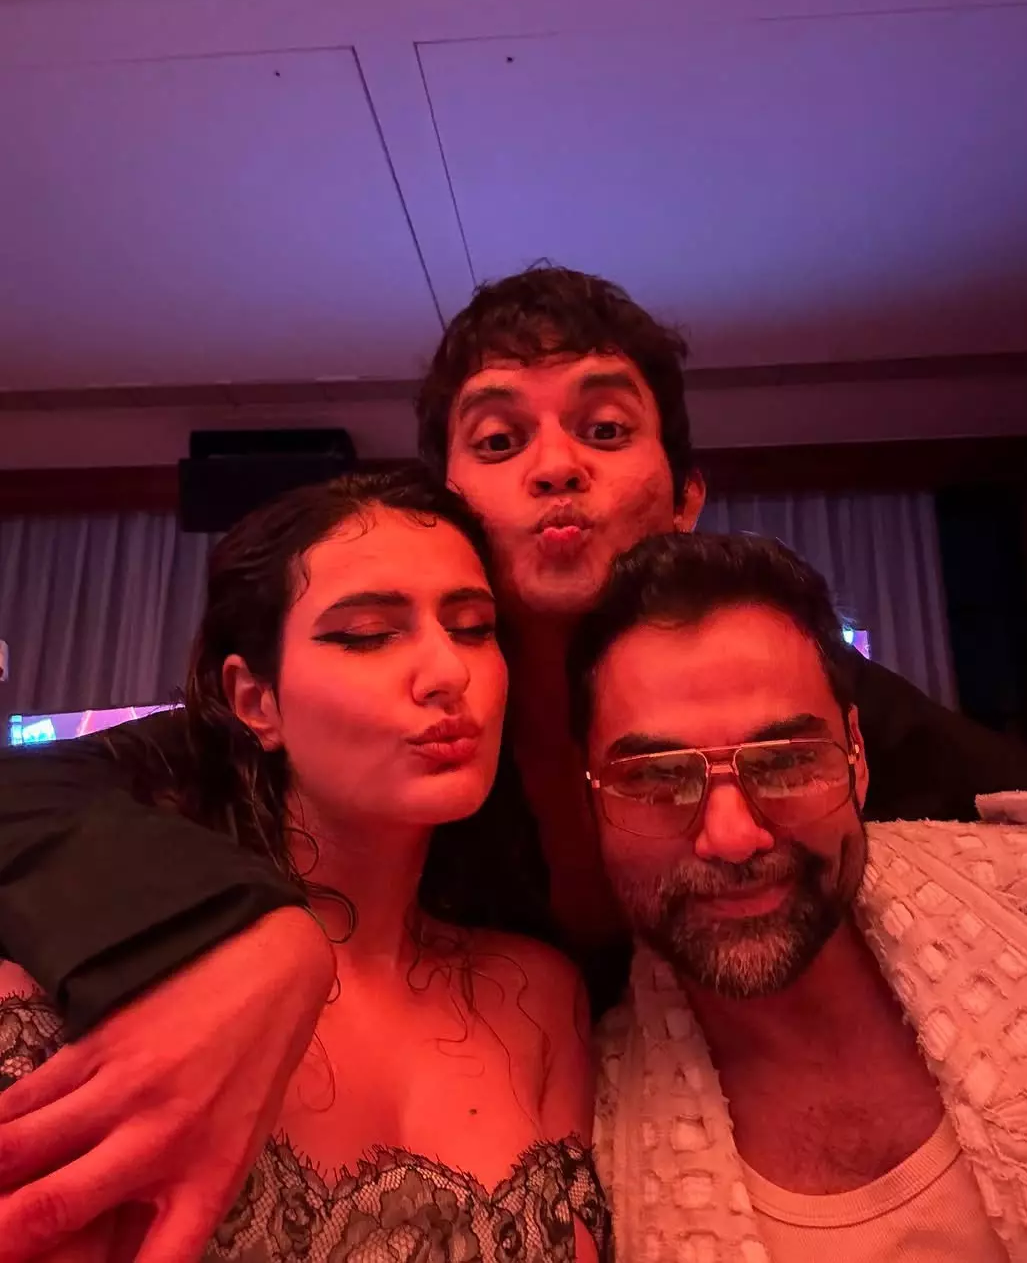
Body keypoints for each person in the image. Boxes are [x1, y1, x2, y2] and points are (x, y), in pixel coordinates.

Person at [1, 267, 1027, 1260]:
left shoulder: (773, 691)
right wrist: (257, 938)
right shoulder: (377, 736)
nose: (558, 467)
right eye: (500, 441)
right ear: (451, 502)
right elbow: (40, 793)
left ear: (685, 497)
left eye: (605, 430)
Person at [0, 468, 610, 1263]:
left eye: (471, 627)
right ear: (257, 701)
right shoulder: (82, 971)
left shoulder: (541, 994)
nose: (448, 674)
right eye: (366, 635)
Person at [573, 531, 1027, 1261]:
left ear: (857, 758)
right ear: (590, 799)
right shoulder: (591, 1139)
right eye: (655, 778)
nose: (733, 837)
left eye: (785, 762)